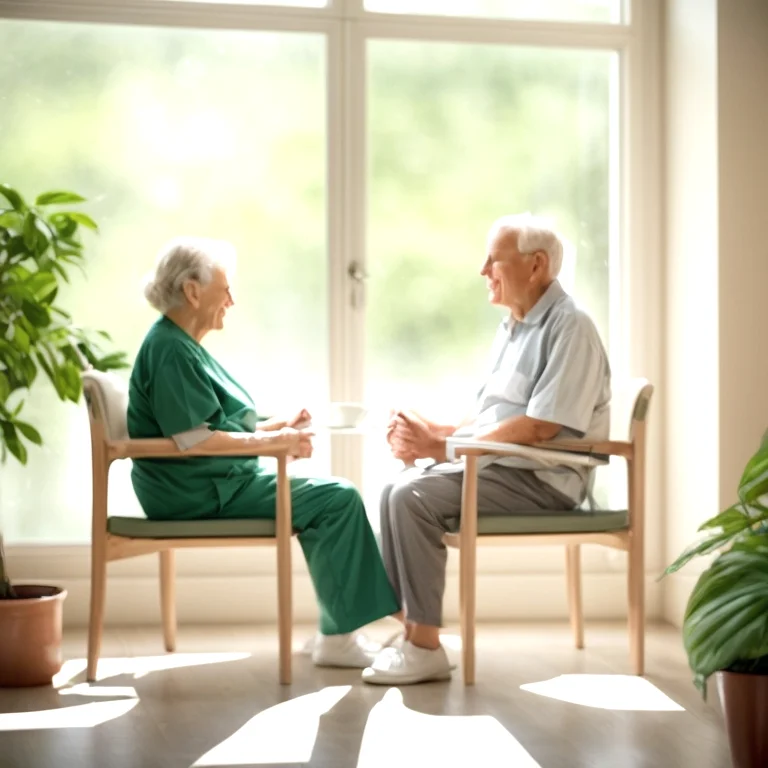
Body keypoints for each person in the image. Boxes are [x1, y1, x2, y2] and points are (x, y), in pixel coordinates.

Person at [127, 237, 399, 668]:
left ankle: (339, 627)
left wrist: (277, 427)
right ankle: (341, 636)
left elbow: (210, 425)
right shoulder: (169, 350)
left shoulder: (180, 345)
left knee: (329, 497)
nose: (231, 300)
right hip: (197, 492)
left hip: (214, 482)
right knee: (337, 498)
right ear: (193, 292)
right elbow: (196, 440)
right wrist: (274, 443)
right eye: (225, 289)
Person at [363, 213, 611, 685]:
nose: (482, 271)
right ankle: (415, 629)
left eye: (493, 260)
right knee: (394, 487)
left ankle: (424, 647)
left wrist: (443, 446)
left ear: (536, 266)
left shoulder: (571, 326)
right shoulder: (513, 328)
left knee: (411, 498)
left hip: (543, 480)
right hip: (506, 471)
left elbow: (540, 426)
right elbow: (492, 419)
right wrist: (431, 432)